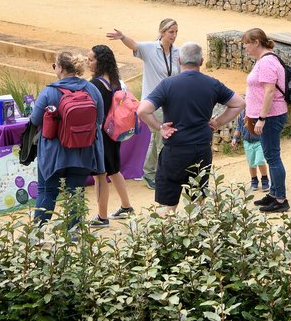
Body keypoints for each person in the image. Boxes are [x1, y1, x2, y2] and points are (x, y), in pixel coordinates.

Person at [137, 42, 244, 213]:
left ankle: (166, 237)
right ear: (201, 61)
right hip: (201, 149)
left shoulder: (168, 84)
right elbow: (239, 103)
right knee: (197, 203)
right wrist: (217, 122)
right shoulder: (212, 84)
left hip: (175, 149)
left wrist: (160, 127)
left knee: (167, 206)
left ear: (179, 60)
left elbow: (143, 110)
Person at [28, 50, 105, 233]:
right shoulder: (91, 89)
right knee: (75, 191)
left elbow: (35, 120)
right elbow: (99, 119)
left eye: (55, 65)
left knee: (47, 191)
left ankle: (37, 236)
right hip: (82, 150)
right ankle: (74, 233)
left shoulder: (49, 91)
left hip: (53, 153)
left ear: (60, 68)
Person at [106, 19, 181, 190]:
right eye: (171, 32)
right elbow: (134, 45)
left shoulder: (177, 52)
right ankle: (161, 175)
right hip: (153, 104)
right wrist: (122, 36)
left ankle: (149, 172)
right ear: (162, 32)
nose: (174, 36)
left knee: (157, 138)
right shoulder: (150, 48)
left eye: (176, 32)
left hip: (170, 102)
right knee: (163, 138)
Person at [243, 28, 291, 213]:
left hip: (270, 116)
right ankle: (274, 193)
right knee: (271, 156)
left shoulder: (266, 62)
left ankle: (280, 200)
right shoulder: (266, 60)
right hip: (268, 116)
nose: (245, 47)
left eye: (247, 43)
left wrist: (261, 118)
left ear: (256, 42)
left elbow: (270, 91)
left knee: (272, 157)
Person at [87, 44, 135, 227]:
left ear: (101, 62)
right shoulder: (117, 83)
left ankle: (102, 217)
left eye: (91, 59)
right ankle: (126, 206)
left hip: (100, 137)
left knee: (100, 176)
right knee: (114, 171)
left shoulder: (94, 85)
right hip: (114, 134)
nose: (88, 62)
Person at [231, 100, 270, 192]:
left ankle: (265, 180)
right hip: (247, 142)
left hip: (259, 141)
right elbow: (238, 127)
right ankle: (254, 180)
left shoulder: (258, 113)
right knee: (251, 163)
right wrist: (235, 138)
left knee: (260, 160)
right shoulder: (241, 114)